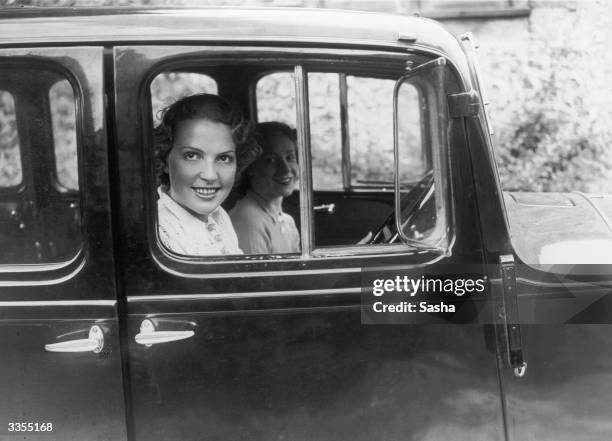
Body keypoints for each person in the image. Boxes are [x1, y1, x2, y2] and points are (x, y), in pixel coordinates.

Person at [154, 93, 259, 255]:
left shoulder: (218, 215)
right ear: (165, 158)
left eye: (224, 158)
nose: (210, 175)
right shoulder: (160, 234)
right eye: (192, 156)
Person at [230, 121, 300, 254]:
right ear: (250, 167)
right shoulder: (249, 220)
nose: (285, 169)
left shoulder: (288, 221)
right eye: (271, 160)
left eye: (290, 157)